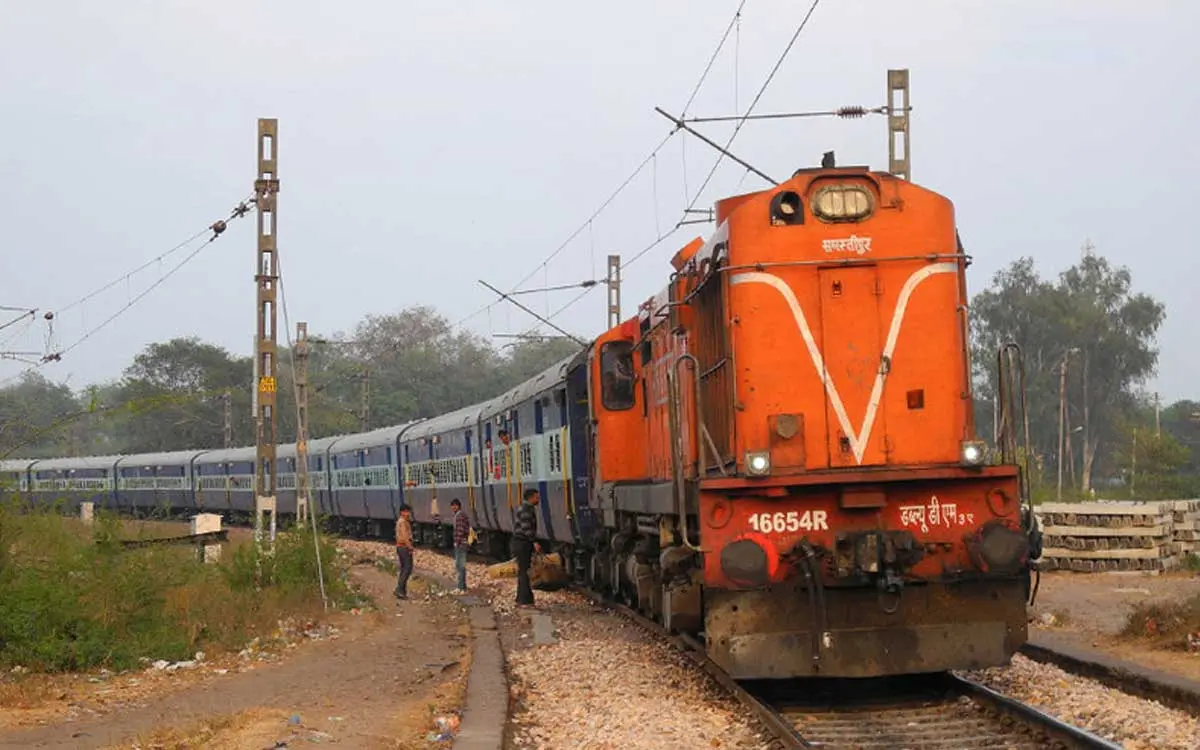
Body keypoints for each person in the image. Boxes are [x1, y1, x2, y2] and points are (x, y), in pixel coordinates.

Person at [512, 488, 541, 607]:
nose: (538, 499)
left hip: (521, 542)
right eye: (536, 497)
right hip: (522, 543)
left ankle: (524, 597)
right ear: (530, 498)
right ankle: (524, 599)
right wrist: (534, 541)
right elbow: (526, 527)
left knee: (523, 571)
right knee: (524, 571)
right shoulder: (526, 509)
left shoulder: (525, 508)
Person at [450, 498, 470, 592]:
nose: (453, 508)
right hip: (462, 542)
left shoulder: (460, 516)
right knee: (460, 565)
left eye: (454, 506)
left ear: (458, 506)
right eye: (452, 506)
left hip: (461, 543)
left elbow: (460, 530)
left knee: (460, 565)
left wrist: (456, 542)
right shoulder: (459, 515)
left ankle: (461, 587)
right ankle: (462, 586)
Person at [394, 505, 414, 600]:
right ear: (402, 512)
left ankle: (401, 590)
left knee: (404, 568)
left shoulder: (402, 521)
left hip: (401, 547)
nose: (408, 514)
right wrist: (409, 546)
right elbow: (405, 535)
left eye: (409, 512)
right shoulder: (402, 522)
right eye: (406, 512)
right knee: (407, 568)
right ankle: (400, 589)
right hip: (403, 547)